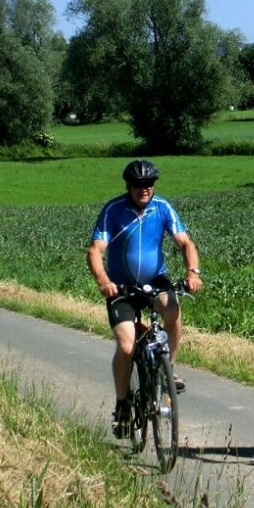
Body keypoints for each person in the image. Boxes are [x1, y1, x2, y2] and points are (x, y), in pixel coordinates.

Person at [87, 159, 203, 438]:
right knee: (127, 347)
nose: (144, 189)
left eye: (149, 184)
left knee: (172, 309)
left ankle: (169, 367)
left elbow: (185, 243)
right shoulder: (113, 210)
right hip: (121, 287)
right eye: (139, 184)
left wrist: (193, 272)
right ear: (128, 185)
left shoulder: (162, 208)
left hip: (155, 280)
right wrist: (104, 282)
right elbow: (95, 250)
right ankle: (123, 403)